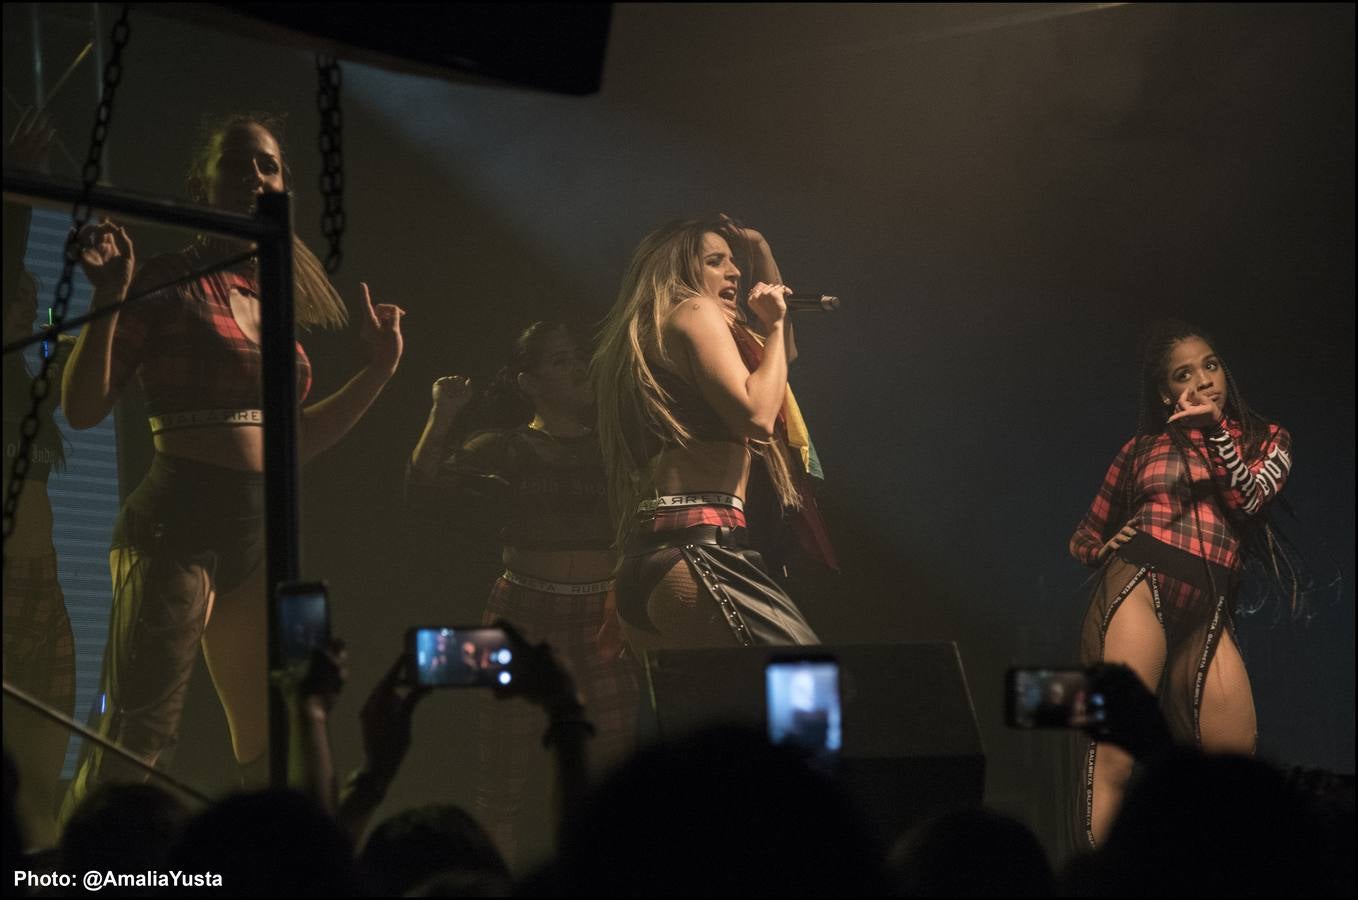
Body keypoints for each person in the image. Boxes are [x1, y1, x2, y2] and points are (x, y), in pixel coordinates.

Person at [57, 113, 406, 815]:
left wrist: (379, 371)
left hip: (259, 528)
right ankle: (79, 878)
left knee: (273, 737)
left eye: (270, 166)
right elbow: (84, 406)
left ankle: (272, 872)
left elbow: (294, 442)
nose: (257, 177)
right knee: (137, 733)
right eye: (240, 163)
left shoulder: (273, 300)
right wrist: (109, 294)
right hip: (177, 522)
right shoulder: (170, 281)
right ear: (201, 183)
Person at [406, 321, 636, 861]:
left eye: (578, 356)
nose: (578, 367)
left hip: (602, 613)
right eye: (559, 360)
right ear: (527, 382)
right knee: (501, 779)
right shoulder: (504, 447)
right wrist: (443, 414)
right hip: (520, 610)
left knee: (615, 774)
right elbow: (423, 486)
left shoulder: (614, 446)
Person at [1068, 319, 1294, 847]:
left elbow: (1251, 500)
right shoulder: (1139, 448)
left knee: (1235, 765)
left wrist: (1216, 431)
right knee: (1117, 751)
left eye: (1210, 365)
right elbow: (1083, 536)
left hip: (1210, 603)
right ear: (1165, 391)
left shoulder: (1266, 439)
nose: (1202, 380)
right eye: (1182, 374)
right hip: (1140, 582)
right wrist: (1101, 549)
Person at [591, 216, 819, 653]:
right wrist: (772, 325)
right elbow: (756, 413)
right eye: (716, 262)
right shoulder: (695, 310)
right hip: (700, 550)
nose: (735, 272)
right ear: (679, 272)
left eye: (736, 263)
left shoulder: (649, 331)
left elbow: (778, 362)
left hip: (651, 555)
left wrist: (763, 253)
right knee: (810, 691)